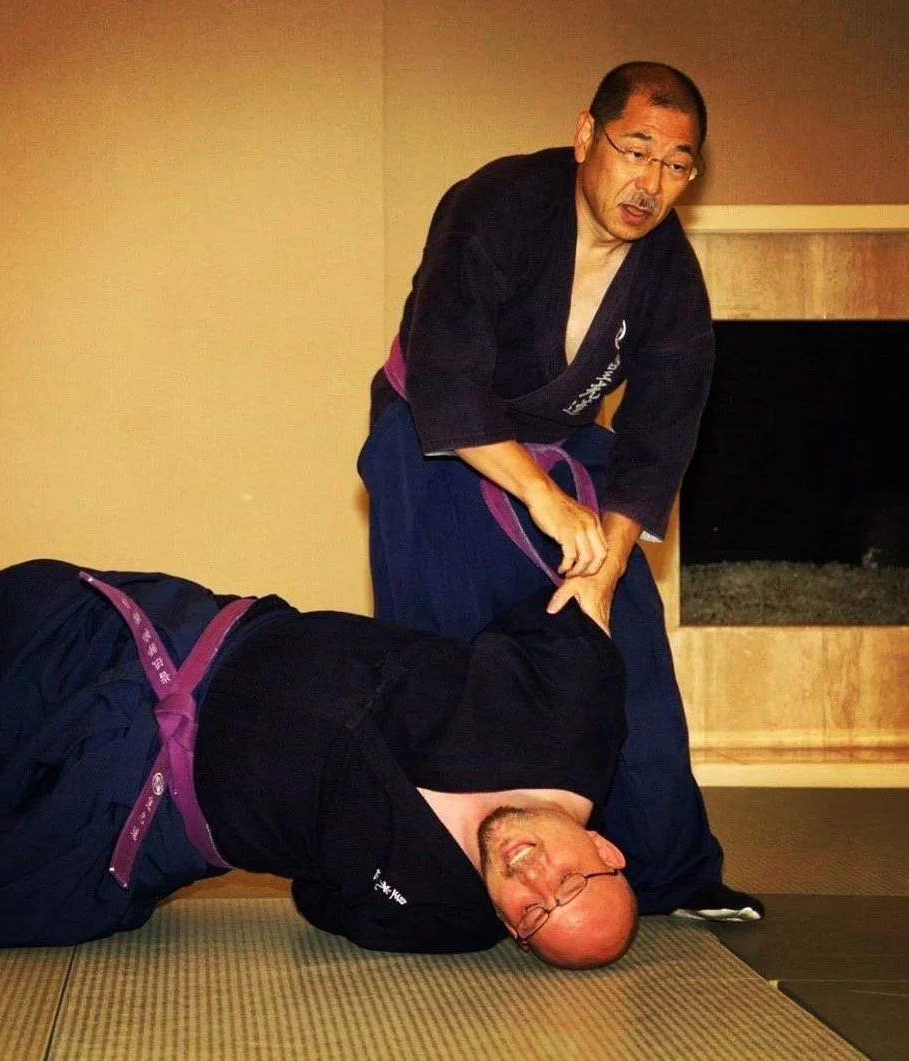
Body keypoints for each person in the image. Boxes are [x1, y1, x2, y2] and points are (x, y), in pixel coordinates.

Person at [358, 61, 762, 920]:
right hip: (431, 443)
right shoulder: (497, 205)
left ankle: (670, 869)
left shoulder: (668, 279)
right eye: (636, 148)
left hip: (563, 450)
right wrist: (544, 499)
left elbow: (658, 440)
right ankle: (438, 878)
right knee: (447, 650)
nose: (651, 182)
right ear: (588, 135)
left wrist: (606, 570)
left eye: (678, 164)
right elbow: (447, 377)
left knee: (624, 645)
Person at [0, 558, 637, 968]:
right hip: (182, 650)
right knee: (22, 613)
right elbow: (563, 589)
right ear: (607, 850)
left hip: (162, 820)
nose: (531, 884)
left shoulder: (448, 919)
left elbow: (323, 901)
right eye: (568, 884)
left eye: (531, 918)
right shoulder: (574, 712)